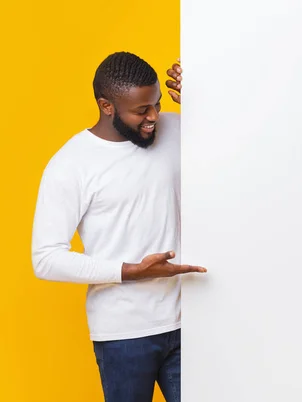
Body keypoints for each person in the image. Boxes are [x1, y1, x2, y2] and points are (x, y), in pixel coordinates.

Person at [31, 51, 204, 402]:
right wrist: (131, 271)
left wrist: (204, 100)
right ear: (106, 106)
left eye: (156, 103)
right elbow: (46, 258)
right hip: (124, 333)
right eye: (141, 110)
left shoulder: (177, 129)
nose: (154, 116)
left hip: (193, 320)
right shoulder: (71, 165)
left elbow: (242, 145)